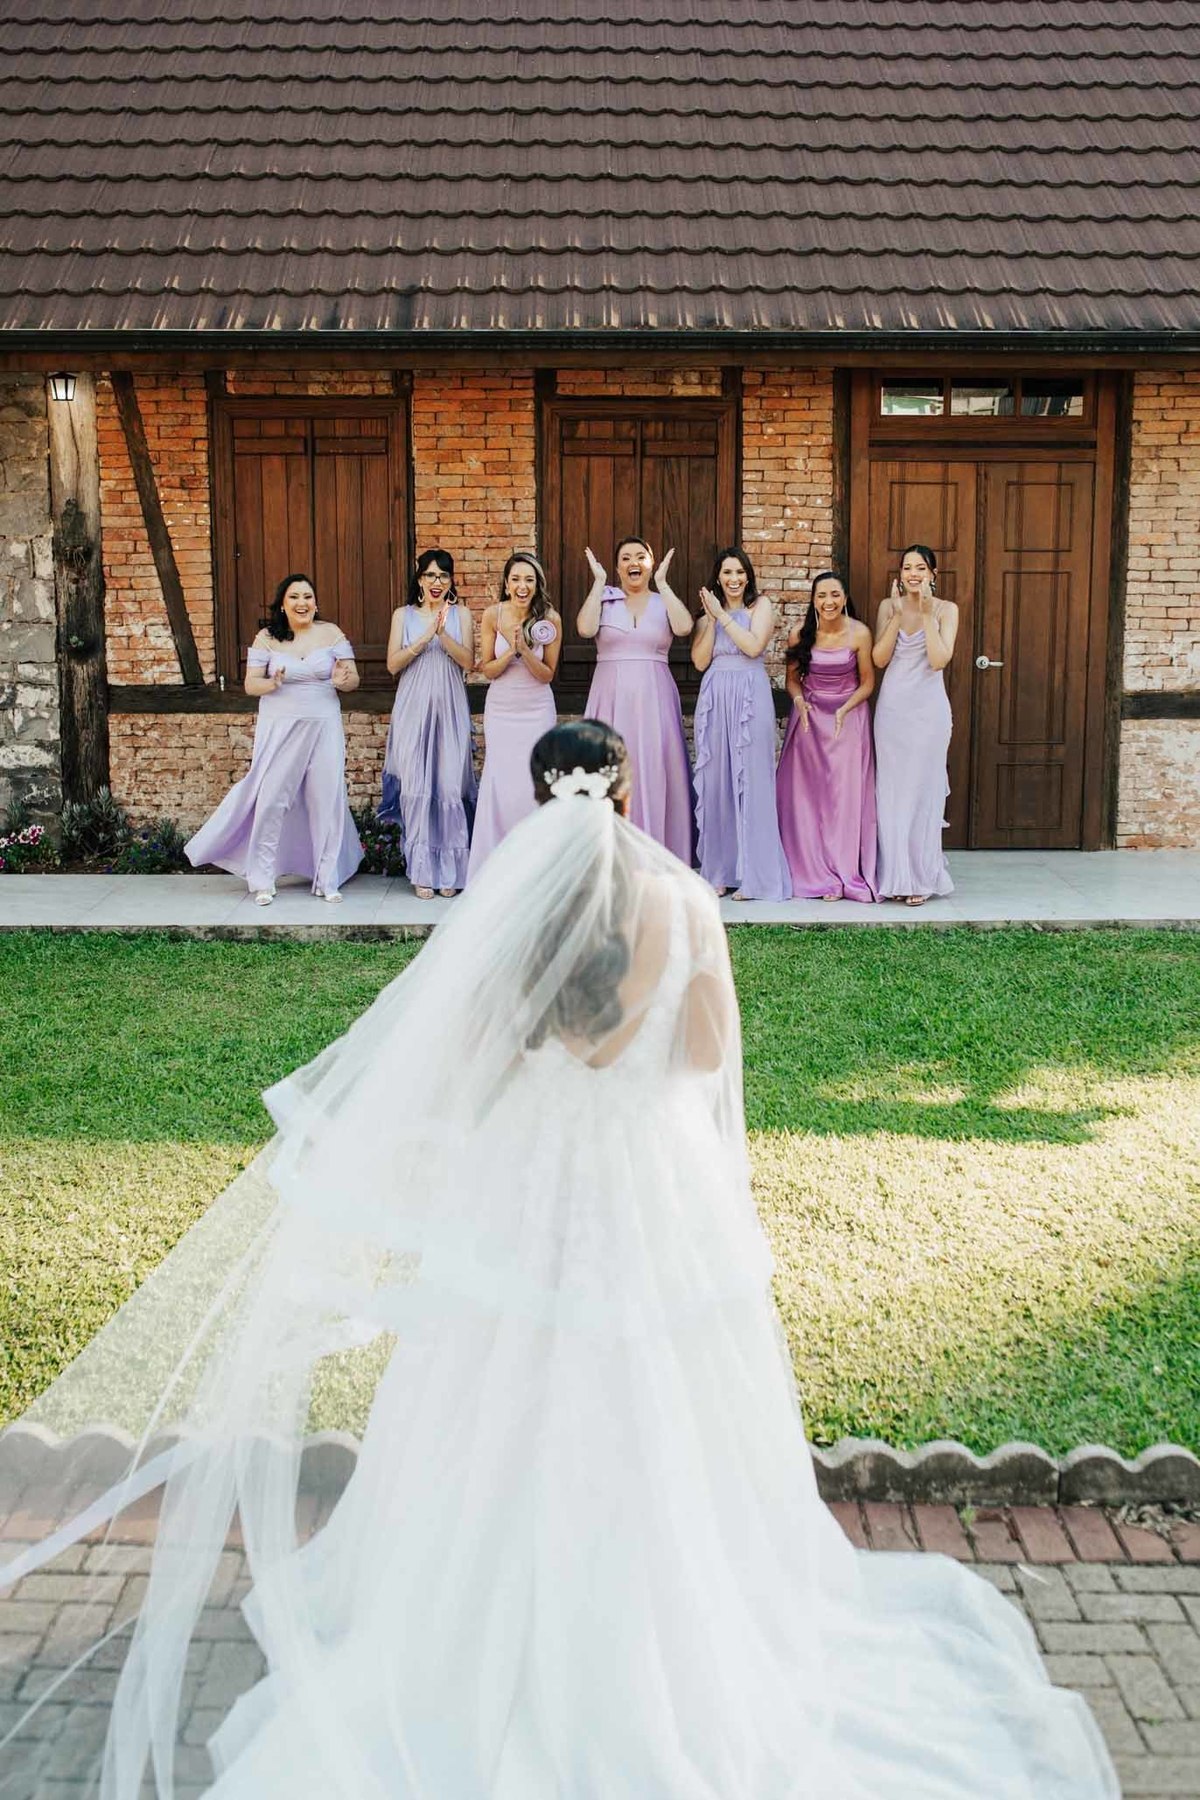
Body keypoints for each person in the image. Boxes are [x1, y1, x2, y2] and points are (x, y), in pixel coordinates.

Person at [0, 720, 1117, 1798]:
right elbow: (704, 1057)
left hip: (528, 1189)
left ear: (538, 796)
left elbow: (467, 1070)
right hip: (651, 1189)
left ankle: (475, 1607)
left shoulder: (511, 911)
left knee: (500, 1378)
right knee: (657, 1385)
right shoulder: (686, 904)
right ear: (627, 793)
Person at [185, 572, 362, 904]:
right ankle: (263, 878)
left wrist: (343, 680)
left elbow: (352, 679)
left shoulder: (332, 633)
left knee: (327, 799)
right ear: (282, 604)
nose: (302, 603)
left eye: (307, 597)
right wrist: (273, 683)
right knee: (271, 801)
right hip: (281, 726)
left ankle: (327, 879)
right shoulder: (266, 638)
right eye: (294, 597)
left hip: (324, 725)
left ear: (316, 603)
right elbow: (252, 684)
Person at [576, 536, 694, 864]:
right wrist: (598, 583)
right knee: (609, 770)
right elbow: (584, 629)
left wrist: (663, 584)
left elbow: (684, 627)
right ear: (617, 568)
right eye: (626, 558)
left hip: (654, 697)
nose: (633, 562)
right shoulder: (605, 599)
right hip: (609, 697)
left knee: (653, 768)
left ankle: (657, 853)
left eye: (641, 556)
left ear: (651, 564)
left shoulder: (662, 600)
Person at [691, 546, 791, 900]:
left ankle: (755, 875)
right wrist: (711, 619)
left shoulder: (760, 606)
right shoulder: (708, 615)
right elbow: (700, 661)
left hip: (750, 693)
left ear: (747, 576)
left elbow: (753, 647)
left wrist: (723, 616)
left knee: (752, 778)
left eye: (739, 572)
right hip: (716, 696)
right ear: (718, 578)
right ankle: (719, 869)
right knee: (718, 781)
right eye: (727, 573)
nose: (734, 579)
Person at [378, 548, 476, 899]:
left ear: (451, 581)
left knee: (449, 786)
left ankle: (451, 870)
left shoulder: (462, 614)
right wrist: (425, 636)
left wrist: (443, 633)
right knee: (417, 789)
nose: (437, 582)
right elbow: (392, 665)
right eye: (430, 575)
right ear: (419, 579)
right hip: (413, 707)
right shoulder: (402, 615)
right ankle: (421, 871)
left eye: (443, 576)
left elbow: (469, 662)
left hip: (450, 707)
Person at [776, 571, 877, 902]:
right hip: (810, 717)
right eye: (821, 595)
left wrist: (845, 708)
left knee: (843, 798)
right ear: (813, 600)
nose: (828, 601)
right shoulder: (799, 634)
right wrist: (799, 701)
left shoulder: (860, 632)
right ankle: (814, 871)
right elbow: (792, 681)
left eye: (834, 594)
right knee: (807, 798)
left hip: (848, 716)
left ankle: (842, 869)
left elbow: (867, 682)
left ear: (844, 598)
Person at [872, 542, 958, 905]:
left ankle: (922, 877)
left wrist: (925, 615)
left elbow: (938, 660)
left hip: (929, 711)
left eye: (921, 568)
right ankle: (896, 875)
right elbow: (879, 659)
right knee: (893, 791)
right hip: (893, 709)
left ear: (933, 574)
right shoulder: (887, 606)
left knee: (924, 789)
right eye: (908, 567)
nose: (913, 574)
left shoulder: (946, 610)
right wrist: (896, 616)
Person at [466, 551, 560, 879]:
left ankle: (536, 867)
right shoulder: (492, 615)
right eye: (516, 579)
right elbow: (489, 670)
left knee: (534, 782)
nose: (522, 586)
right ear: (506, 584)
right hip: (502, 709)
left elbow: (547, 674)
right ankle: (495, 865)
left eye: (529, 580)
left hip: (537, 709)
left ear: (537, 585)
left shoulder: (550, 618)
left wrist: (526, 653)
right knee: (501, 780)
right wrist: (511, 651)